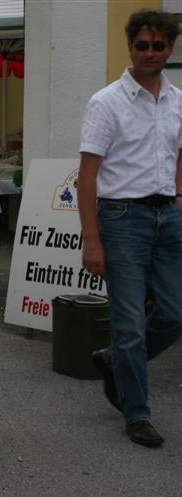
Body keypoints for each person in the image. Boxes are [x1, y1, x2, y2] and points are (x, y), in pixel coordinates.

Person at [78, 9, 182, 448]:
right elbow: (87, 174)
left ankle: (112, 360)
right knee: (130, 325)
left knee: (175, 313)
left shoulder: (177, 99)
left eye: (159, 46)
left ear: (170, 49)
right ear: (130, 47)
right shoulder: (107, 102)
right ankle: (136, 413)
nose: (150, 53)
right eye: (142, 45)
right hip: (122, 219)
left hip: (169, 217)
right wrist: (92, 239)